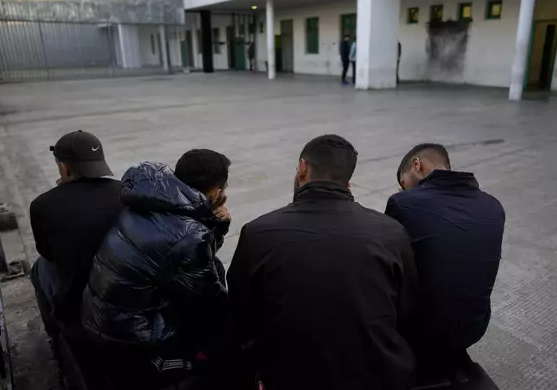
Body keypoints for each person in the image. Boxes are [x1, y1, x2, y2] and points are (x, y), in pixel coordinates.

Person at [228, 134, 418, 390]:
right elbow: (407, 313)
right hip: (379, 376)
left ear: (303, 168)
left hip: (290, 377)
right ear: (347, 181)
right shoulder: (391, 232)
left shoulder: (258, 233)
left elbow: (241, 319)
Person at [80, 150, 231, 388]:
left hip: (99, 312)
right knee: (221, 340)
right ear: (215, 192)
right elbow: (208, 303)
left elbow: (184, 259)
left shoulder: (151, 201)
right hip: (130, 339)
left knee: (215, 270)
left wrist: (214, 225)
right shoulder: (189, 233)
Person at [385, 143, 505, 377]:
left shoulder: (404, 204)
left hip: (420, 331)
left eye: (403, 184)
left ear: (416, 165)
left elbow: (389, 268)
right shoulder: (493, 205)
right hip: (474, 327)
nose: (403, 191)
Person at [30, 130, 122, 339]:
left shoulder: (42, 204)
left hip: (82, 299)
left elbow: (48, 253)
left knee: (40, 267)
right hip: (125, 289)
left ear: (63, 167)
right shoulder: (125, 191)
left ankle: (56, 333)